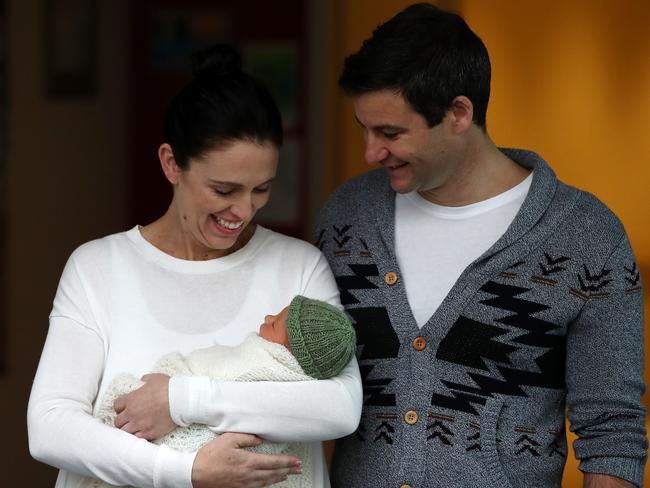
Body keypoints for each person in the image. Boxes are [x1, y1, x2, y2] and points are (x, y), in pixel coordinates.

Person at [315, 3, 646, 488]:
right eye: (363, 130)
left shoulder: (587, 238)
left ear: (458, 113)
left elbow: (612, 434)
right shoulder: (348, 218)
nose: (370, 153)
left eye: (390, 133)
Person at [28, 44, 362, 488]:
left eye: (261, 189)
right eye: (224, 189)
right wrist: (187, 472)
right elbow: (50, 426)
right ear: (171, 164)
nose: (243, 210)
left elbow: (339, 407)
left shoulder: (298, 266)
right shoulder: (98, 268)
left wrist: (181, 400)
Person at [82, 295, 357, 488]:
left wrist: (176, 386)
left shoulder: (266, 366)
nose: (268, 316)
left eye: (275, 324)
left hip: (202, 444)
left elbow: (227, 373)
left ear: (289, 352)